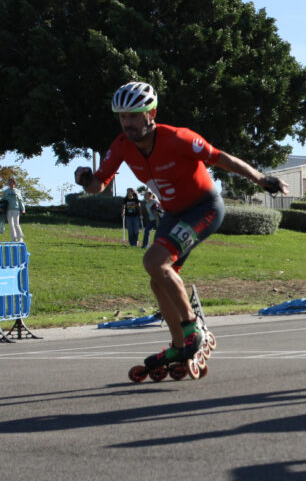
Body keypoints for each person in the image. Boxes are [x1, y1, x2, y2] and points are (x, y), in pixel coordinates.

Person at [74, 81, 287, 376]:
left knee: (154, 261)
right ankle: (178, 344)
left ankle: (192, 328)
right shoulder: (121, 146)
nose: (127, 123)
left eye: (134, 115)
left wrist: (260, 177)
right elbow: (99, 184)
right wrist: (85, 179)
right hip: (174, 215)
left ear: (151, 114)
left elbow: (222, 158)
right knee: (157, 279)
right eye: (122, 117)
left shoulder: (178, 138)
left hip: (205, 208)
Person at [2, 178, 26, 242]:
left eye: (11, 182)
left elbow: (21, 200)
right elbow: (3, 201)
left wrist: (23, 209)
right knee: (11, 225)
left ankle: (20, 237)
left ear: (14, 183)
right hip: (8, 210)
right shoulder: (6, 191)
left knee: (16, 224)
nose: (10, 183)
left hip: (16, 209)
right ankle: (13, 238)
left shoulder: (18, 191)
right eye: (9, 182)